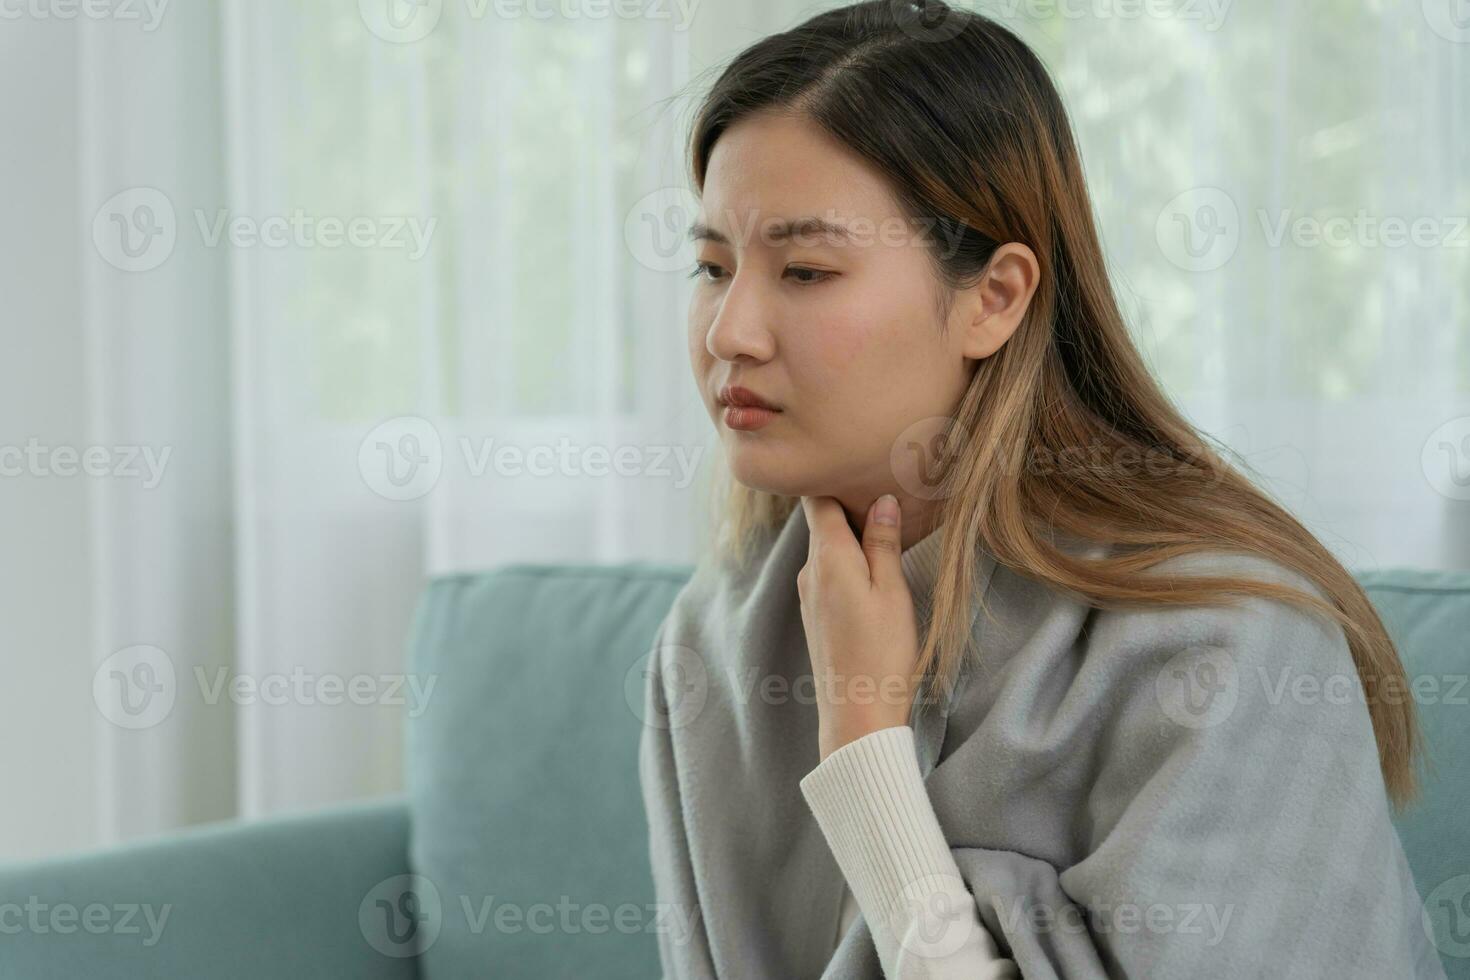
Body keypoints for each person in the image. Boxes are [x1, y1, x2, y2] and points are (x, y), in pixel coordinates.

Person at [639, 1, 1446, 976]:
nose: (730, 331)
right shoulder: (713, 639)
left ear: (995, 297)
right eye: (711, 265)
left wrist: (865, 747)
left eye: (805, 269)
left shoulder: (1233, 639)